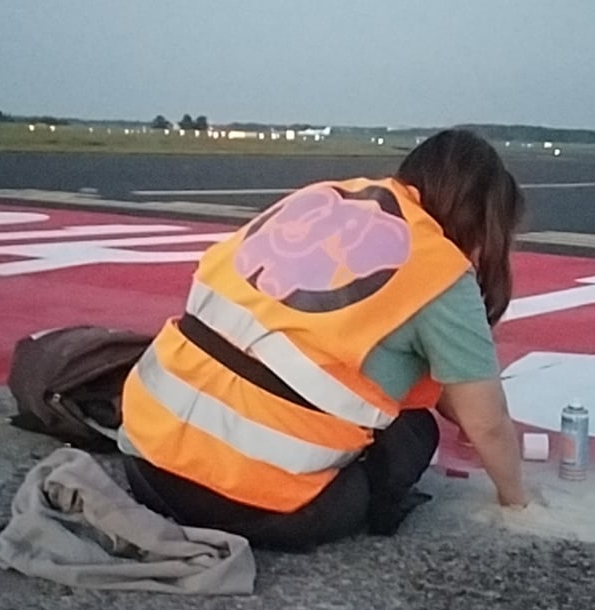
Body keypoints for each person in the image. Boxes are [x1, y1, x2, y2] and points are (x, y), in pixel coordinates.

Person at [119, 128, 529, 551]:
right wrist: (520, 502)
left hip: (146, 459)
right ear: (483, 219)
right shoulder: (438, 266)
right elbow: (488, 424)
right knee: (412, 433)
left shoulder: (322, 199)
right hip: (246, 504)